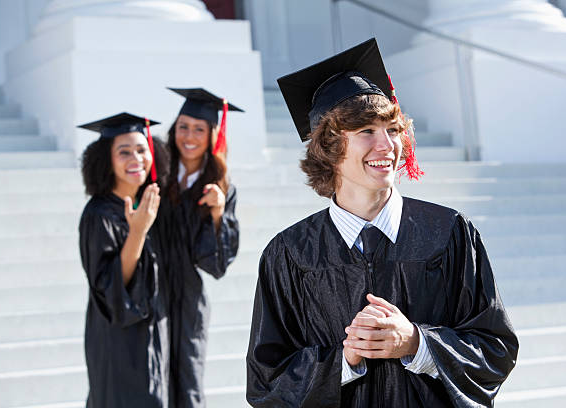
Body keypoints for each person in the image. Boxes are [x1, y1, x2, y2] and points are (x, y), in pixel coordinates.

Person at [246, 38, 518, 407]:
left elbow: (495, 349)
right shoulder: (291, 255)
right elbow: (266, 380)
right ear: (328, 148)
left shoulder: (449, 233)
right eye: (366, 132)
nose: (387, 146)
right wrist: (344, 362)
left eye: (392, 129)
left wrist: (418, 344)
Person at [78, 113, 172, 407]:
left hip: (150, 332)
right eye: (124, 151)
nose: (136, 158)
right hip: (117, 338)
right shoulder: (99, 215)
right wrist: (138, 232)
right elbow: (109, 286)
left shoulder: (144, 203)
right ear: (107, 160)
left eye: (142, 149)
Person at [165, 88, 241, 407]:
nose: (190, 136)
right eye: (183, 126)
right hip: (151, 291)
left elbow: (217, 265)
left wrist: (217, 213)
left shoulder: (222, 188)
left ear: (213, 135)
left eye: (199, 129)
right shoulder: (156, 174)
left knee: (188, 380)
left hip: (187, 297)